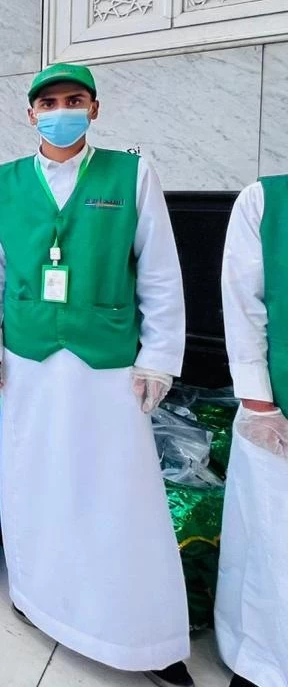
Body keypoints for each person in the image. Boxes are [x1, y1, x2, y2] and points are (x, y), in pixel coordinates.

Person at [0, 63, 191, 686]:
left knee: (117, 489)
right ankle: (37, 595)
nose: (60, 111)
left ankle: (140, 635)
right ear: (30, 114)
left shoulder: (132, 174)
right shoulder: (4, 180)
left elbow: (159, 271)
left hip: (106, 361)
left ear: (94, 109)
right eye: (48, 103)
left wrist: (158, 356)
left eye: (73, 101)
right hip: (30, 357)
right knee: (34, 476)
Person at [215, 176, 288, 687]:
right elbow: (243, 302)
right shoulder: (266, 201)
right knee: (270, 545)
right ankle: (264, 664)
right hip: (276, 414)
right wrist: (260, 403)